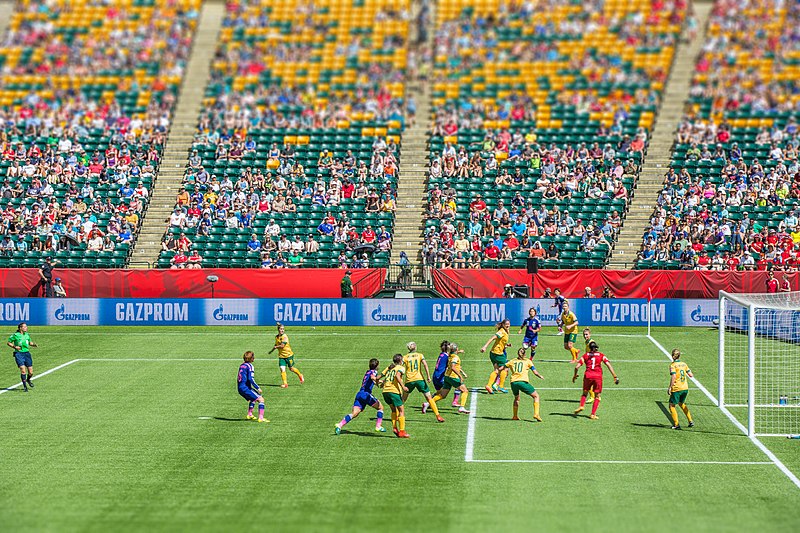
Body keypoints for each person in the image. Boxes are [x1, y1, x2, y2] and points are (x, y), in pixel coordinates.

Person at [335, 358, 387, 434]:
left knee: (354, 413)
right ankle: (378, 426)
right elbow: (373, 378)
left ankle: (339, 425)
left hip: (359, 394)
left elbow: (372, 381)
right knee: (380, 407)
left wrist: (381, 382)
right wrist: (381, 380)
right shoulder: (374, 372)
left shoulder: (368, 372)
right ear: (377, 366)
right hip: (365, 394)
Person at [572, 340, 619, 420]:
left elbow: (577, 367)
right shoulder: (601, 355)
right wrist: (614, 376)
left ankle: (581, 405)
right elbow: (608, 364)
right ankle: (593, 414)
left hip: (588, 376)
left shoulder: (585, 355)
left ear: (589, 348)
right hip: (598, 377)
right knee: (597, 396)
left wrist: (575, 375)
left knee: (584, 393)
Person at [403, 342, 444, 422]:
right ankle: (438, 416)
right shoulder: (420, 355)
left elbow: (400, 367)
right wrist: (428, 376)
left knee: (403, 399)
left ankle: (397, 414)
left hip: (409, 380)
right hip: (419, 379)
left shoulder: (405, 357)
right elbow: (425, 365)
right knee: (429, 398)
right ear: (415, 347)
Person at [429, 343, 470, 414]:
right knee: (465, 391)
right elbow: (453, 367)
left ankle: (428, 403)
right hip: (453, 377)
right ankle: (462, 407)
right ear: (456, 349)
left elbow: (453, 354)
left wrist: (459, 352)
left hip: (447, 376)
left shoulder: (449, 356)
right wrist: (460, 376)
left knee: (442, 395)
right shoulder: (455, 357)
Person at [505, 348, 544, 421]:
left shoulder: (512, 361)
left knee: (517, 398)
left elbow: (504, 367)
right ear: (525, 354)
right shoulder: (528, 361)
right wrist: (540, 376)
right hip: (522, 382)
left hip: (513, 382)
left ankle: (515, 416)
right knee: (536, 396)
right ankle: (536, 414)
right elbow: (535, 372)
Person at [379, 353, 410, 438]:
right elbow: (397, 376)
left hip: (385, 391)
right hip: (394, 392)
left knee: (393, 410)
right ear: (400, 361)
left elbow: (387, 378)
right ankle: (402, 432)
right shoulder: (400, 368)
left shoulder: (390, 368)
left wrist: (382, 383)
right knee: (401, 411)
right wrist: (403, 387)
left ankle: (394, 427)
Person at [481, 318, 511, 394]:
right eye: (506, 324)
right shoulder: (502, 331)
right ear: (503, 325)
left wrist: (506, 345)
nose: (507, 325)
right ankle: (500, 386)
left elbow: (500, 342)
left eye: (508, 324)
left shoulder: (506, 331)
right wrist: (485, 346)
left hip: (493, 353)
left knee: (497, 370)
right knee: (506, 367)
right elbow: (493, 338)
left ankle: (489, 385)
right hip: (498, 353)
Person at [268, 323, 304, 388]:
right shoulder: (276, 337)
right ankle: (285, 384)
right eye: (281, 329)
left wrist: (276, 347)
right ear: (278, 329)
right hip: (281, 356)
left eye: (283, 329)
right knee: (282, 369)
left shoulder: (285, 337)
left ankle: (300, 375)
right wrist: (271, 351)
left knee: (291, 369)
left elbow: (282, 346)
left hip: (288, 355)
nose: (282, 330)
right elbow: (275, 345)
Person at [237, 351, 268, 422]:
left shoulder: (242, 365)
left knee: (253, 399)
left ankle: (250, 414)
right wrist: (258, 388)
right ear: (251, 358)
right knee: (261, 399)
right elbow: (251, 379)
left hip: (240, 388)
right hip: (245, 388)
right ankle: (261, 418)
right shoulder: (250, 366)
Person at [668, 349, 694, 430]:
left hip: (677, 388)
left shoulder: (672, 365)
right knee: (681, 403)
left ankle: (676, 425)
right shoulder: (684, 364)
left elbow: (674, 376)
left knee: (671, 405)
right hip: (685, 387)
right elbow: (691, 375)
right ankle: (690, 420)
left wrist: (670, 387)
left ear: (673, 356)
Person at [7, 322, 37, 392]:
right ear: (20, 328)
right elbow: (8, 342)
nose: (26, 328)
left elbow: (30, 343)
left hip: (27, 354)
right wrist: (15, 347)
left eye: (26, 326)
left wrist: (34, 345)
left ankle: (28, 379)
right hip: (19, 354)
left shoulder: (27, 335)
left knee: (31, 372)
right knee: (23, 370)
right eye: (25, 327)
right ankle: (25, 387)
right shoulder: (15, 335)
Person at [431, 340, 461, 407]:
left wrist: (458, 352)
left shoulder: (441, 354)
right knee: (458, 386)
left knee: (439, 392)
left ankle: (430, 401)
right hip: (440, 377)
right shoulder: (448, 357)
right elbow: (451, 361)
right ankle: (455, 401)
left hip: (435, 376)